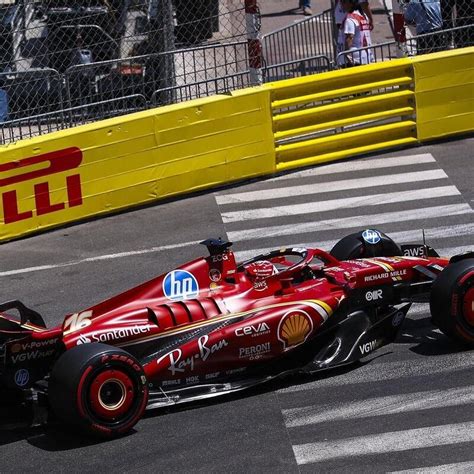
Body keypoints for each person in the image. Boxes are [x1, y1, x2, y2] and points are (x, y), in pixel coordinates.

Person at [338, 0, 374, 66]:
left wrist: (346, 54)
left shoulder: (350, 19)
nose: (341, 4)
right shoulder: (363, 17)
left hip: (353, 59)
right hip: (364, 57)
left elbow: (349, 38)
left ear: (351, 3)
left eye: (344, 1)